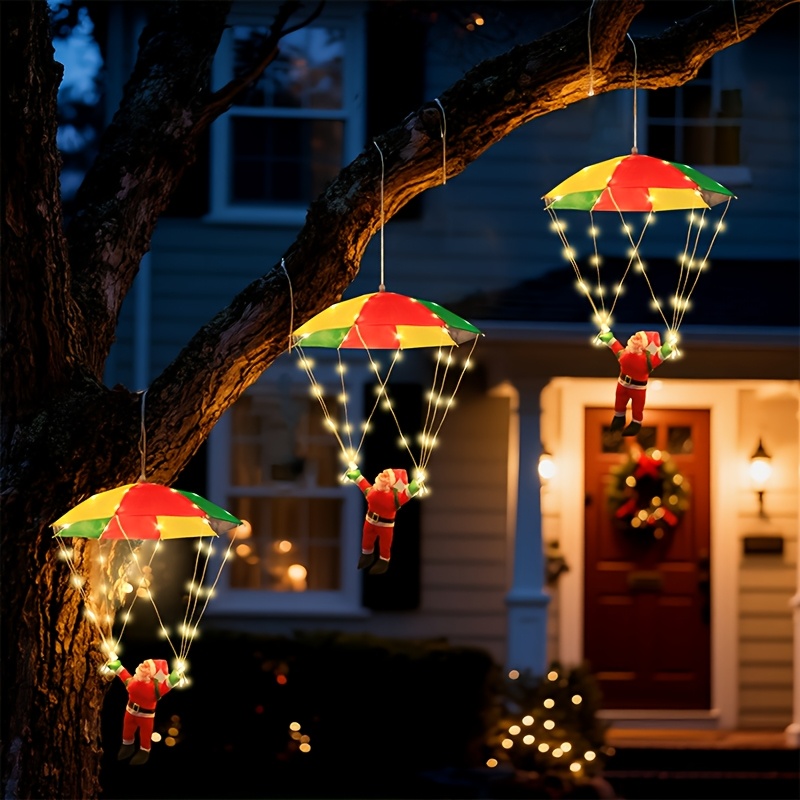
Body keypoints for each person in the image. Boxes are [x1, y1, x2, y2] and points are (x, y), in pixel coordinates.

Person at [598, 328, 674, 437]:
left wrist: (666, 349)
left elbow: (659, 356)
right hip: (622, 384)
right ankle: (619, 417)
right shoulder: (624, 353)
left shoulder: (648, 360)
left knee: (637, 407)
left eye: (639, 339)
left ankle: (636, 423)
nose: (634, 338)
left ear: (643, 345)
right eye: (635, 336)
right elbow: (615, 346)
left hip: (638, 389)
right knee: (619, 401)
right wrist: (608, 338)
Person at [106, 657, 182, 765]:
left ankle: (144, 751)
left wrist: (173, 678)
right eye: (143, 663)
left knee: (145, 735)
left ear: (151, 674)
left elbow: (166, 684)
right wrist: (117, 666)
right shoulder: (133, 681)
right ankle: (127, 746)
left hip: (146, 717)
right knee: (127, 730)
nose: (142, 665)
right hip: (130, 712)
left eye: (147, 666)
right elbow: (124, 676)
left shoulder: (156, 688)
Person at [346, 466, 422, 574]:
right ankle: (367, 555)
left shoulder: (395, 498)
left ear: (390, 483)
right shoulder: (372, 491)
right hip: (369, 522)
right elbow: (363, 484)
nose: (382, 475)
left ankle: (383, 561)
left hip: (386, 527)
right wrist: (356, 475)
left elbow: (406, 494)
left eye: (386, 476)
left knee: (385, 545)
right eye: (383, 473)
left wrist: (415, 485)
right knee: (366, 539)